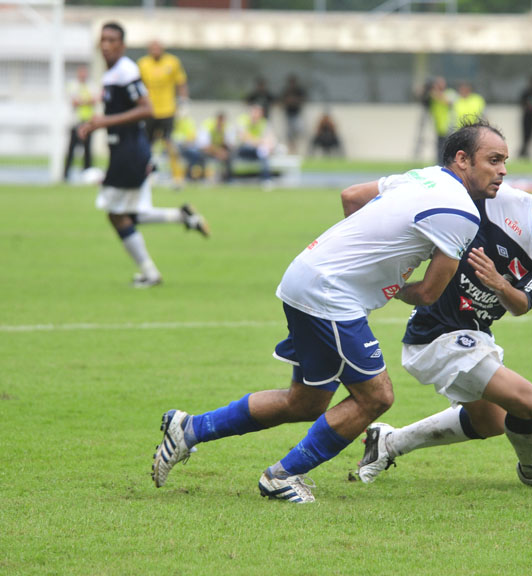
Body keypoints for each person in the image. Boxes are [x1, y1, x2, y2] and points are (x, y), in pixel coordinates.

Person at [151, 120, 510, 503]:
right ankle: (282, 476)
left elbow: (351, 196)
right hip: (330, 294)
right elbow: (428, 293)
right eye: (493, 160)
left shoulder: (422, 177)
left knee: (306, 401)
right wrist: (388, 283)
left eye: (504, 161)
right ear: (462, 159)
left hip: (305, 275)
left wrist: (355, 255)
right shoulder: (462, 212)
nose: (503, 170)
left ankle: (189, 428)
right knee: (376, 397)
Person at [356, 151, 532, 491]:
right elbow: (449, 199)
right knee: (526, 399)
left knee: (491, 422)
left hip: (474, 334)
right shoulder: (502, 202)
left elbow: (521, 304)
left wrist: (499, 284)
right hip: (436, 331)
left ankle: (389, 443)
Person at [78, 22, 209, 288]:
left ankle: (151, 272)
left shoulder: (126, 70)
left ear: (122, 45)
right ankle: (181, 218)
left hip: (130, 153)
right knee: (124, 213)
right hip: (124, 151)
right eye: (103, 40)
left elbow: (146, 109)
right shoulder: (113, 73)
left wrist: (103, 122)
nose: (106, 45)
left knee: (117, 214)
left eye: (112, 40)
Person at [137, 40, 188, 186]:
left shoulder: (172, 62)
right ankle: (147, 174)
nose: (155, 51)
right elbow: (138, 85)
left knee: (169, 143)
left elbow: (181, 82)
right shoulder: (143, 64)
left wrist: (184, 101)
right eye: (152, 48)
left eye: (158, 48)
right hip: (149, 110)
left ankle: (177, 177)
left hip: (167, 110)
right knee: (146, 145)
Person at [64, 65, 98, 182]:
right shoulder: (73, 85)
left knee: (88, 151)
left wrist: (82, 101)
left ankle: (87, 175)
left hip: (88, 123)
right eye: (81, 73)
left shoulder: (91, 86)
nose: (83, 75)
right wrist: (87, 101)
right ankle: (66, 175)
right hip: (76, 122)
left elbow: (95, 100)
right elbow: (74, 102)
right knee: (71, 149)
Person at [236, 103, 278, 184]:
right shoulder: (243, 120)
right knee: (262, 150)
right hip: (243, 149)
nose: (256, 114)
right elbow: (244, 137)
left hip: (258, 149)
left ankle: (265, 178)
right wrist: (261, 142)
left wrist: (266, 143)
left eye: (258, 112)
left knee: (263, 150)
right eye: (255, 112)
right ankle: (266, 178)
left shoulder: (264, 123)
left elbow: (271, 138)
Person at [196, 111, 235, 183]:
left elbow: (231, 144)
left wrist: (223, 149)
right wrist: (218, 152)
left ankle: (227, 178)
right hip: (208, 151)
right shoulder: (207, 126)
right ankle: (203, 177)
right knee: (199, 155)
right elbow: (204, 145)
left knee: (229, 155)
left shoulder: (227, 127)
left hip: (221, 151)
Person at [427, 76, 456, 163]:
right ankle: (440, 164)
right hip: (439, 127)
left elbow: (449, 102)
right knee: (439, 150)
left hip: (449, 126)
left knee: (449, 148)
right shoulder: (432, 95)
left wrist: (436, 93)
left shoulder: (450, 93)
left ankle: (448, 164)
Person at [279, 74, 307, 154]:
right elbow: (282, 101)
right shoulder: (286, 90)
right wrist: (288, 101)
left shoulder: (299, 90)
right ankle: (291, 148)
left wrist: (294, 100)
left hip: (297, 113)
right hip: (288, 113)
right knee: (289, 133)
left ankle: (297, 147)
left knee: (299, 130)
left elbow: (303, 100)